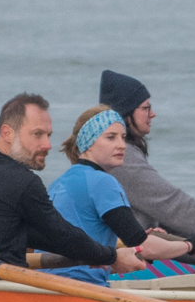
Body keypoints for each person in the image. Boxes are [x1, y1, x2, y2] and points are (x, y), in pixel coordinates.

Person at [0, 92, 189, 284]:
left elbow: (45, 236)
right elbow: (63, 236)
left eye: (48, 135)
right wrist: (111, 257)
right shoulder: (22, 181)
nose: (47, 144)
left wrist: (102, 255)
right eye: (38, 134)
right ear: (7, 133)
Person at [95, 70, 195, 241]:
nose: (152, 114)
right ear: (126, 113)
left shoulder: (118, 151)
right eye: (145, 108)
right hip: (122, 251)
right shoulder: (121, 157)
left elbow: (161, 210)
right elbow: (170, 204)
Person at [49, 106, 164, 271]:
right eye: (111, 137)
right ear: (88, 142)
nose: (122, 145)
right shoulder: (102, 181)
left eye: (123, 137)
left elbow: (90, 237)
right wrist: (190, 245)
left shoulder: (57, 183)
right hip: (81, 282)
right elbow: (139, 242)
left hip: (46, 277)